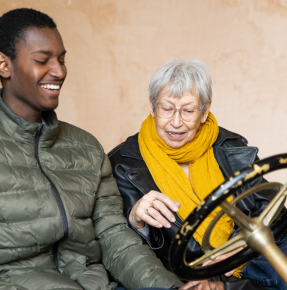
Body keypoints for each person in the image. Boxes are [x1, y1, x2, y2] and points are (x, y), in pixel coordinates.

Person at [0, 8, 185, 290]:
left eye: (61, 60)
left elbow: (114, 235)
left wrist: (167, 287)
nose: (59, 71)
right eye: (42, 60)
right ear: (4, 66)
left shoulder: (85, 147)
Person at [109, 59, 287, 290]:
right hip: (179, 272)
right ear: (152, 107)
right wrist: (136, 221)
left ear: (204, 111)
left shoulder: (230, 147)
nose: (176, 122)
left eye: (188, 110)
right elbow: (118, 246)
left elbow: (272, 213)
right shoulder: (121, 163)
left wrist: (242, 246)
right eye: (166, 109)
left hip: (243, 263)